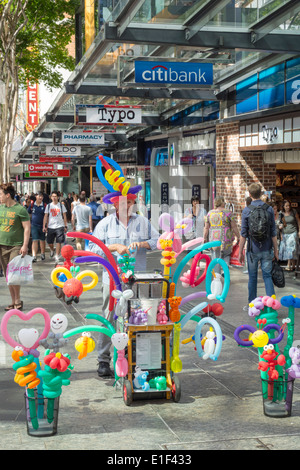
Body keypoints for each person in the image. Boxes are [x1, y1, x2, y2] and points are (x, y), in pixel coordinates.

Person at [89, 189, 159, 378]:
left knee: (138, 315)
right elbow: (93, 247)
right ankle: (103, 359)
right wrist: (113, 247)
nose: (126, 206)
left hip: (137, 278)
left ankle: (134, 356)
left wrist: (142, 244)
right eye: (122, 203)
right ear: (114, 205)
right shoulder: (105, 224)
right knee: (109, 315)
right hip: (112, 279)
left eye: (129, 202)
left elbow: (157, 240)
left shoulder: (143, 222)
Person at [239, 183, 278, 305]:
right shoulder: (269, 209)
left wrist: (240, 251)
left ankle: (252, 304)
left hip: (252, 250)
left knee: (253, 277)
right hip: (267, 248)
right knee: (267, 276)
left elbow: (243, 234)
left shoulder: (246, 210)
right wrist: (276, 250)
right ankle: (271, 304)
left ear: (250, 195)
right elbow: (273, 232)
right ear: (261, 193)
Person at [0, 182, 30, 311]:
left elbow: (27, 228)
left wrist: (25, 245)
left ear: (7, 195)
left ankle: (17, 300)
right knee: (8, 276)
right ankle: (12, 301)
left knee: (14, 275)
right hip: (2, 245)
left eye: (0, 194)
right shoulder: (1, 208)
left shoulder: (20, 209)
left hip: (16, 247)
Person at [203, 196, 240, 273]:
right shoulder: (228, 213)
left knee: (215, 258)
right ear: (222, 203)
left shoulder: (210, 213)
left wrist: (204, 238)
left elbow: (206, 228)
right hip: (226, 239)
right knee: (226, 255)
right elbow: (234, 227)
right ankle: (225, 272)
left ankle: (217, 277)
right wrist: (239, 237)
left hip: (214, 240)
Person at [43, 191, 68, 262]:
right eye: (53, 196)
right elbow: (45, 216)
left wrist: (65, 226)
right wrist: (44, 226)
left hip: (60, 226)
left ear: (58, 197)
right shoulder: (48, 206)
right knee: (49, 242)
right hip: (51, 226)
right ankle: (52, 249)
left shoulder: (61, 205)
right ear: (51, 197)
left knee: (58, 241)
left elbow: (64, 216)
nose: (54, 198)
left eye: (55, 196)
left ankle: (57, 255)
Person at [279, 200, 300, 271]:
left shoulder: (293, 212)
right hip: (285, 233)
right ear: (283, 207)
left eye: (289, 205)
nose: (288, 207)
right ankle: (293, 265)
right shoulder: (281, 214)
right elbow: (281, 224)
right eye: (286, 206)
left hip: (293, 232)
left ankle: (288, 265)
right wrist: (281, 234)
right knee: (289, 250)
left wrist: (299, 231)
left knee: (291, 249)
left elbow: (298, 221)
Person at [27, 191, 46, 262]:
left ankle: (42, 253)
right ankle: (34, 256)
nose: (40, 197)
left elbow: (46, 216)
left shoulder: (44, 205)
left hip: (42, 226)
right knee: (34, 240)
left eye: (41, 196)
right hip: (34, 225)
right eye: (39, 196)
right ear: (36, 197)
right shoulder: (32, 205)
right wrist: (29, 223)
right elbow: (28, 213)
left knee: (42, 240)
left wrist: (45, 226)